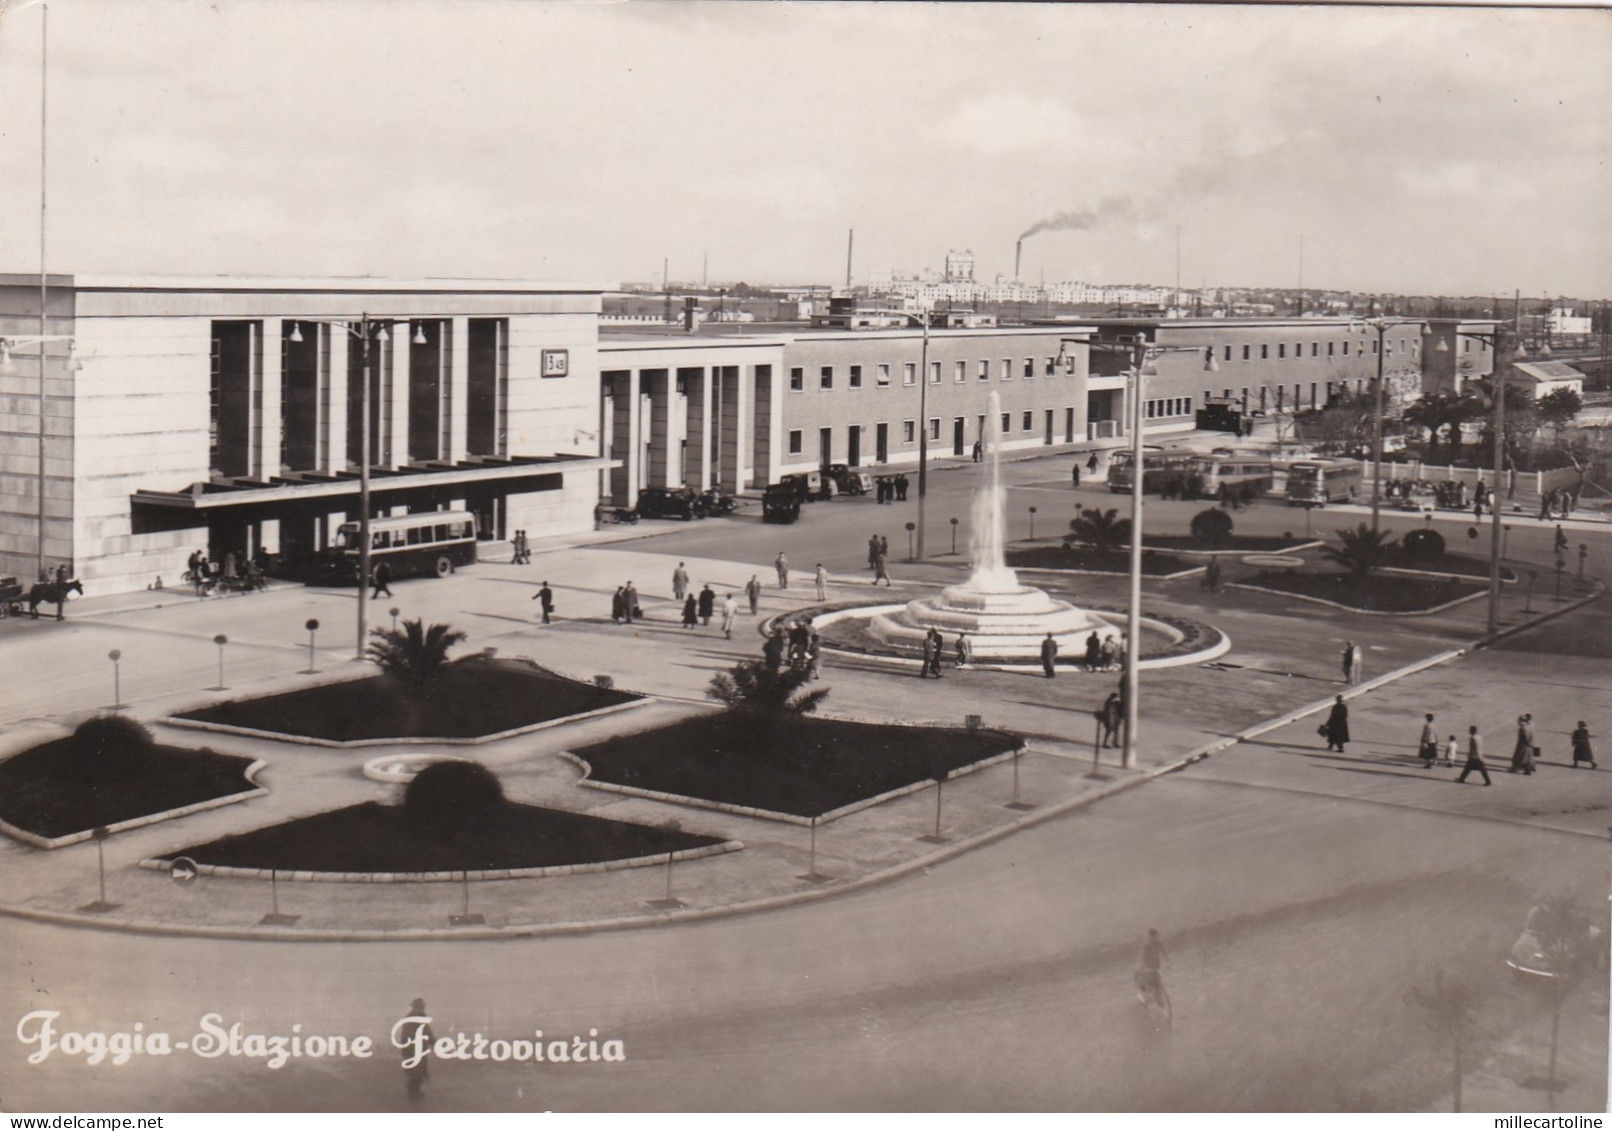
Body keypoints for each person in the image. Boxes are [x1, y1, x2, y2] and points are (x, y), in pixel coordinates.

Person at [396, 999, 433, 1100]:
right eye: (421, 1007)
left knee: (419, 1071)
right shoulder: (410, 1019)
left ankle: (415, 1091)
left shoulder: (421, 1017)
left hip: (419, 1049)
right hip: (412, 1049)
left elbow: (427, 1031)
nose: (422, 1008)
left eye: (422, 1007)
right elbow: (408, 1036)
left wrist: (434, 1042)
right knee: (415, 1071)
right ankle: (412, 1093)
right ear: (416, 1007)